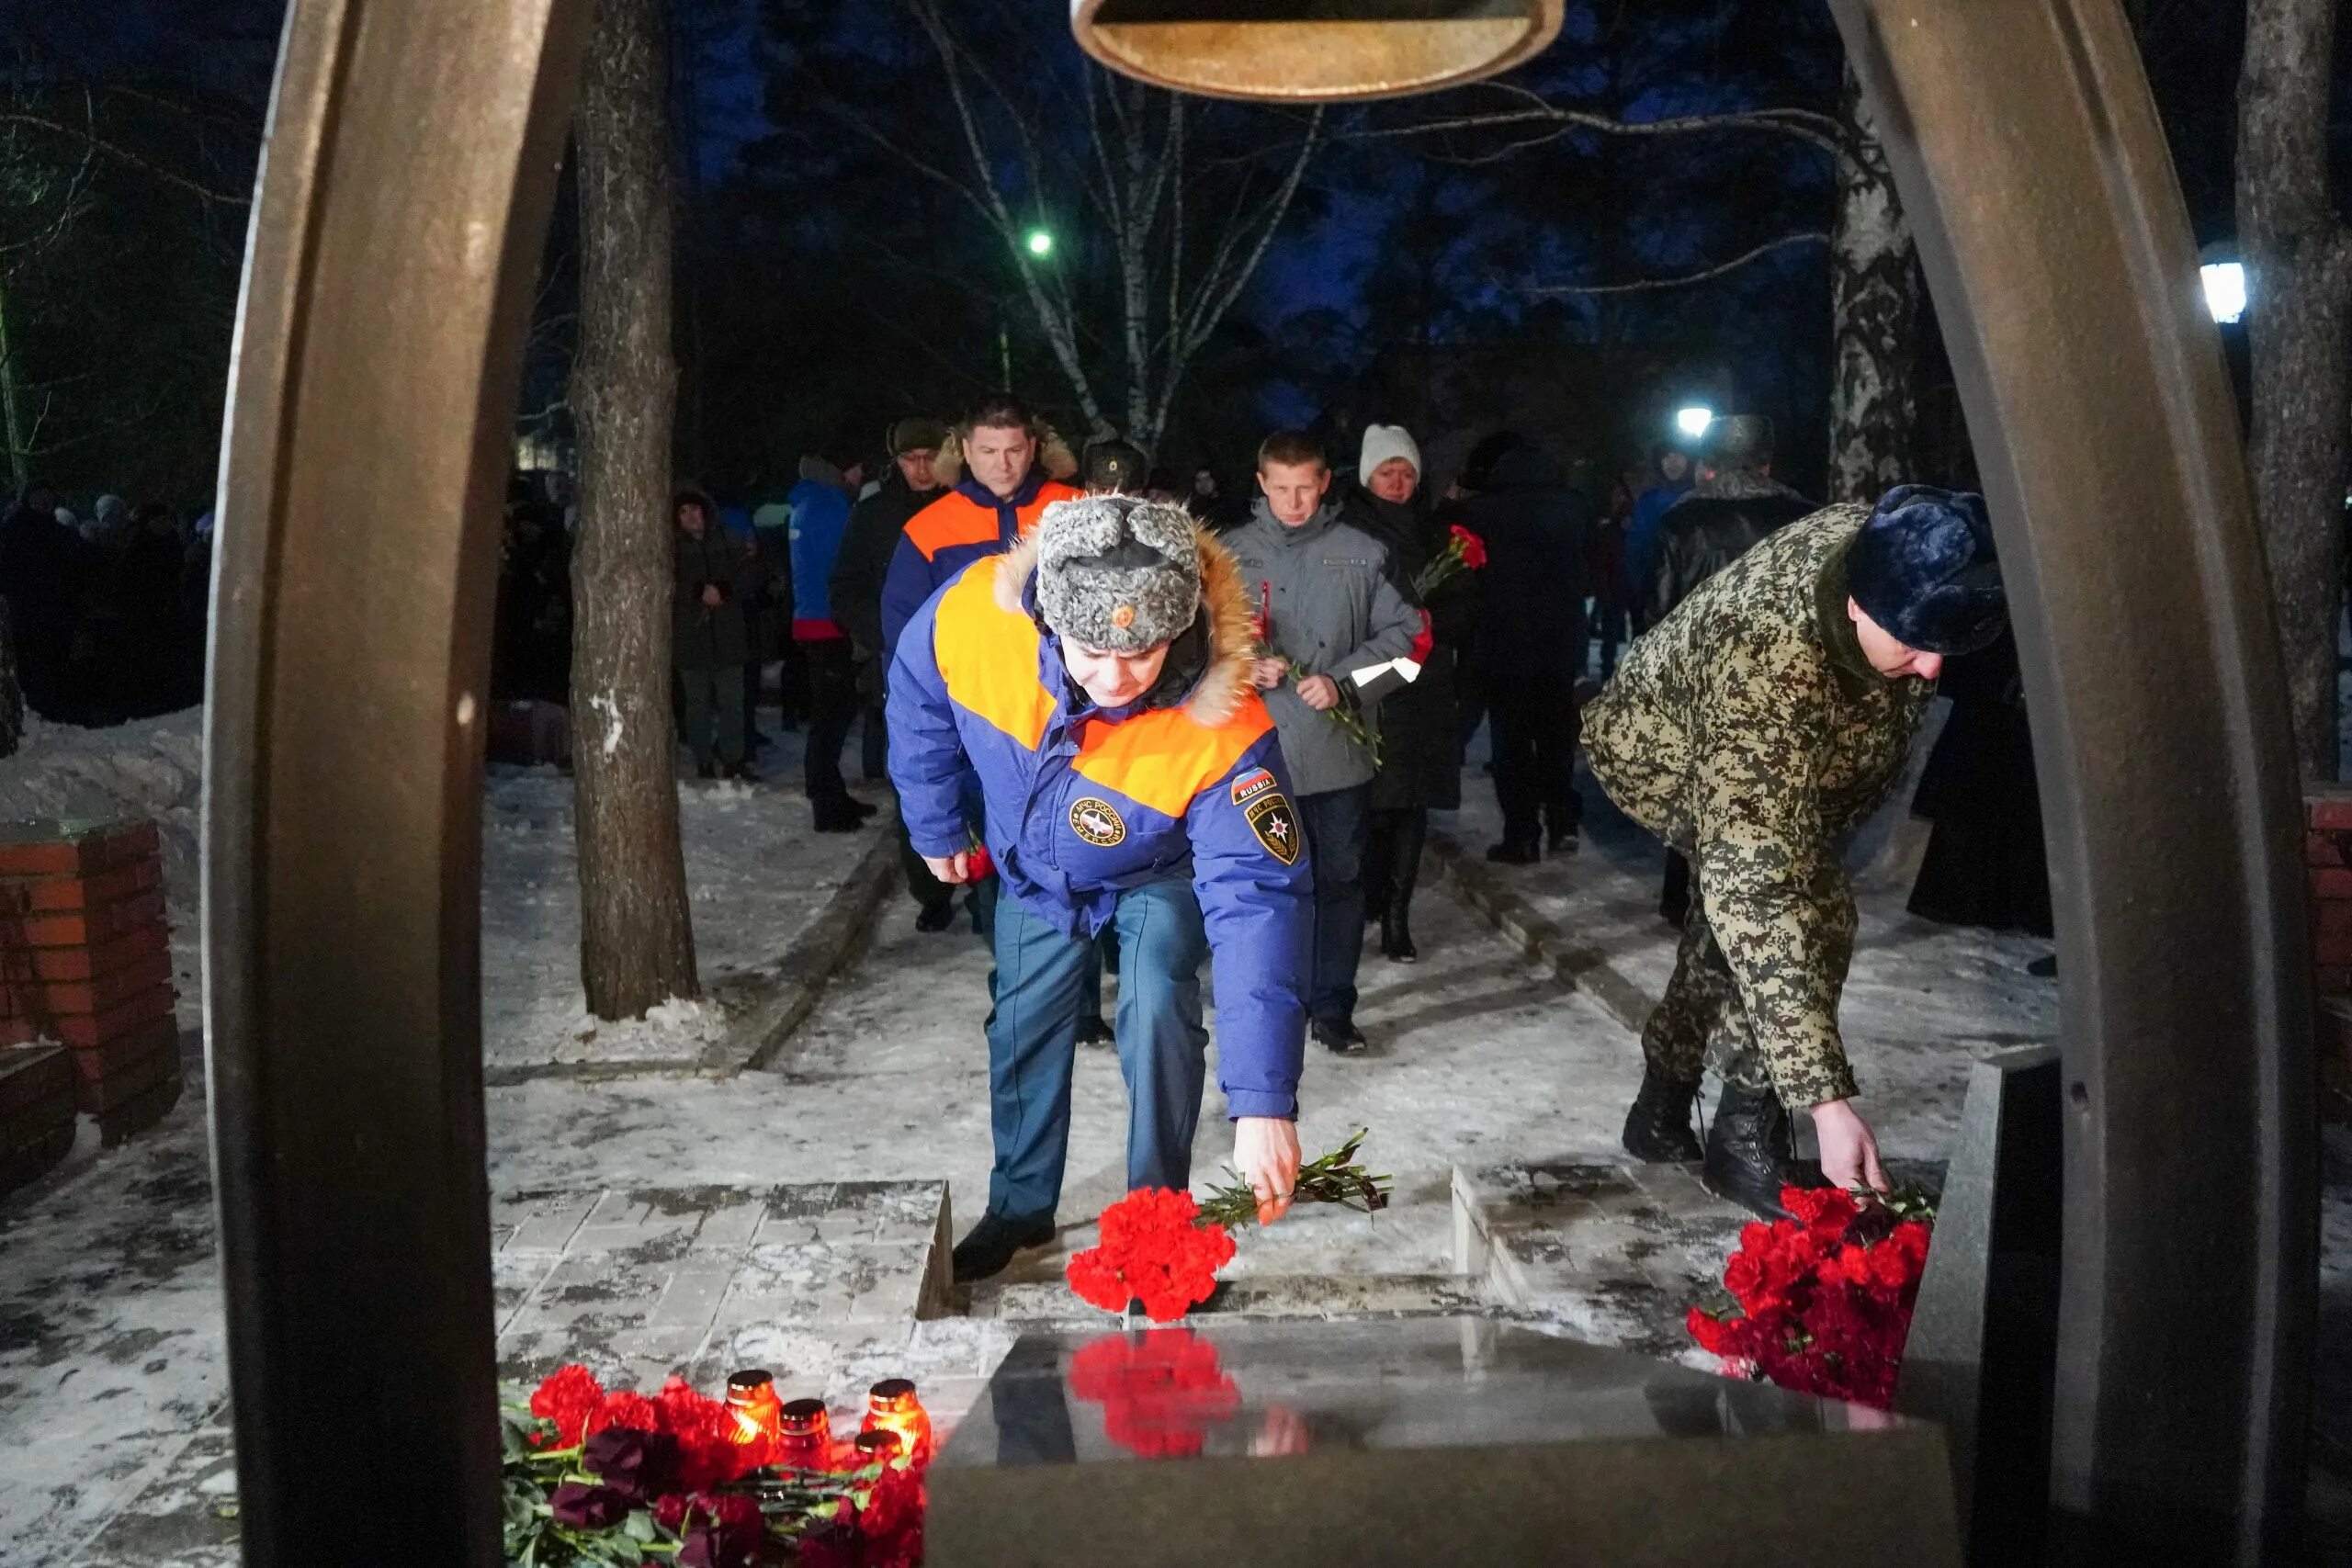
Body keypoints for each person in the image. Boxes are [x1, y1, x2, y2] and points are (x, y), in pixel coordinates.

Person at [889, 494, 1313, 1280]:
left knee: (1153, 1001)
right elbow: (917, 691)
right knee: (1022, 1020)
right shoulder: (978, 617)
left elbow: (1262, 902)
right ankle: (1019, 1205)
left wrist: (1263, 1102)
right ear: (1050, 615)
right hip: (1033, 869)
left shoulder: (1227, 726)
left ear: (1180, 627)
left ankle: (1154, 1220)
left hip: (1162, 871)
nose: (1115, 677)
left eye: (1143, 654)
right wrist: (936, 820)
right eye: (1090, 650)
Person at [1586, 484, 2007, 1218]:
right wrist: (1826, 1100)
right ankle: (1746, 1135)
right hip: (1665, 750)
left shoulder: (1892, 547)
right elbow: (1758, 889)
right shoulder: (1768, 658)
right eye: (1913, 644)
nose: (1933, 670)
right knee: (1799, 914)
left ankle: (1661, 1107)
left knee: (1724, 938)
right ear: (1854, 605)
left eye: (1947, 644)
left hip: (1778, 752)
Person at [1224, 430, 1421, 1055]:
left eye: (1305, 487)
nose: (1293, 501)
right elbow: (1185, 651)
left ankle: (1333, 1006)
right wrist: (1237, 667)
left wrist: (1345, 683)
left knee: (1339, 881)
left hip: (1337, 760)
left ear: (1325, 482)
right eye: (1280, 488)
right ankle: (1270, 1002)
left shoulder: (1363, 552)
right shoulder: (1225, 554)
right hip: (1254, 756)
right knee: (1265, 888)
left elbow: (1412, 645)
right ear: (1261, 484)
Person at [880, 394, 1085, 946]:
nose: (1003, 463)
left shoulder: (1075, 510)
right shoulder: (929, 529)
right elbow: (907, 649)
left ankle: (1084, 1005)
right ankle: (1015, 980)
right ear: (965, 451)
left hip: (1074, 729)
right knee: (999, 871)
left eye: (1014, 449)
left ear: (1033, 448)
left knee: (1082, 864)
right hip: (980, 734)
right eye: (988, 450)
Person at [1646, 415, 1815, 927]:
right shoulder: (1804, 518)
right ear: (1767, 462)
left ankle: (1688, 900)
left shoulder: (1681, 522)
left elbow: (1657, 611)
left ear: (1710, 465)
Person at [1341, 423, 1464, 964]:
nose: (1397, 481)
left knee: (1411, 801)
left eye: (1406, 472)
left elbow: (1467, 600)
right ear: (1369, 476)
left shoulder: (1439, 532)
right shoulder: (1348, 529)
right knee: (1368, 801)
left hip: (1424, 682)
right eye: (1387, 472)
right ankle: (1366, 896)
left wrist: (1441, 621)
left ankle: (1397, 918)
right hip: (1368, 681)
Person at [832, 418, 955, 928]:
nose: (921, 468)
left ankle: (991, 884)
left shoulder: (963, 508)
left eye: (930, 456)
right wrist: (886, 636)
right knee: (918, 778)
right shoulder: (874, 516)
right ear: (897, 461)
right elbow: (844, 589)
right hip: (902, 669)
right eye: (911, 459)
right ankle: (931, 890)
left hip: (969, 663)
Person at [1455, 433, 1589, 863]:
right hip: (1559, 643)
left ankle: (1523, 834)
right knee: (1555, 738)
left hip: (1503, 644)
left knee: (1511, 744)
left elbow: (1464, 580)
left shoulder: (1479, 513)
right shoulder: (1573, 508)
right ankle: (1563, 820)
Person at [787, 449, 877, 832]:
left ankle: (830, 791)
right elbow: (844, 570)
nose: (858, 476)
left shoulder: (807, 501)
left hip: (811, 619)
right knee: (832, 718)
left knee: (831, 717)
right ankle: (825, 803)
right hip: (829, 624)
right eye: (857, 467)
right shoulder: (833, 507)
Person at [673, 488, 758, 781]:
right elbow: (665, 585)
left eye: (694, 509)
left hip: (728, 634)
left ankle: (734, 760)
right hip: (691, 636)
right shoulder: (670, 549)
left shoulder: (729, 539)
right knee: (697, 703)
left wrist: (725, 590)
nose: (691, 516)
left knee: (732, 701)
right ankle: (703, 761)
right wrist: (697, 592)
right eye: (683, 512)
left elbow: (750, 573)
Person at [1623, 445, 1692, 635]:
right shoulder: (1647, 501)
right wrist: (1637, 594)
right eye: (1666, 456)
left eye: (1679, 454)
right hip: (1650, 597)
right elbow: (1635, 551)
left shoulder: (1698, 499)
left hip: (1690, 597)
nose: (1672, 462)